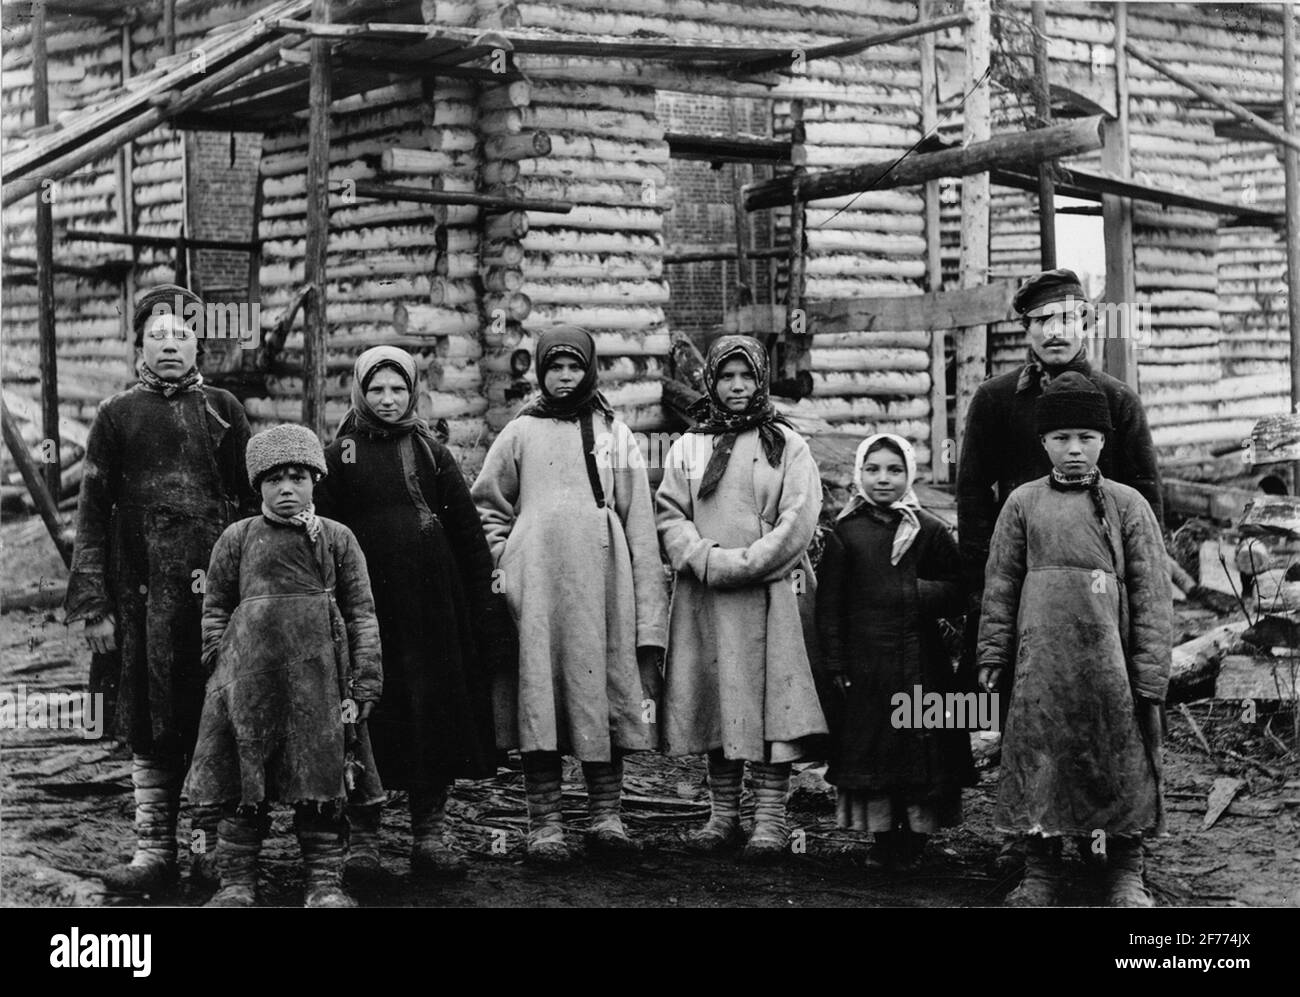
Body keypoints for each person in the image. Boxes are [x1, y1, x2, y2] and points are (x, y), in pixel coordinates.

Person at [956, 268, 1163, 872]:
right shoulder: (996, 400)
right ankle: (1030, 832)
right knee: (1030, 710)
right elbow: (973, 494)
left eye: (1067, 318)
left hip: (1102, 593)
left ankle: (1115, 841)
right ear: (1025, 329)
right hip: (1023, 583)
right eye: (1041, 320)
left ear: (1087, 324)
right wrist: (981, 586)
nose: (1054, 331)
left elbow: (1144, 494)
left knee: (1109, 708)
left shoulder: (1118, 402)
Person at [65, 284, 255, 893]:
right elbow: (91, 515)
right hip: (139, 593)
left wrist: (250, 591)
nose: (170, 345)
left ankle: (207, 850)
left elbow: (253, 506)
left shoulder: (224, 408)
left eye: (181, 335)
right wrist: (94, 604)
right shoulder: (116, 415)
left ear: (199, 342)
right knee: (149, 720)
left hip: (212, 598)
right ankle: (154, 849)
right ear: (140, 345)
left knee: (212, 716)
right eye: (157, 336)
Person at [471, 325, 667, 863]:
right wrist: (506, 560)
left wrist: (646, 610)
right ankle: (546, 824)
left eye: (574, 367)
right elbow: (486, 506)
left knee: (601, 699)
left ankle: (606, 817)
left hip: (603, 591)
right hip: (539, 593)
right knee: (542, 702)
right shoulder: (519, 433)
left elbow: (641, 526)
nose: (564, 377)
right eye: (554, 367)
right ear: (540, 372)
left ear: (589, 370)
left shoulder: (615, 434)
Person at [976, 372, 1172, 907]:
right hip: (1041, 662)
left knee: (1118, 758)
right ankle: (1040, 870)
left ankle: (1123, 870)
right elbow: (1001, 582)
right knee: (1039, 755)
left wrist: (1151, 670)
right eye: (1061, 438)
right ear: (1042, 443)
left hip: (1111, 664)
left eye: (1086, 437)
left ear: (1104, 441)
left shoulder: (1128, 505)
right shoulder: (1022, 503)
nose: (1075, 449)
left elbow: (1154, 592)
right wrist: (992, 651)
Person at [315, 346, 500, 881]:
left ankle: (430, 837)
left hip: (432, 613)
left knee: (431, 717)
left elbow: (468, 534)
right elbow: (322, 532)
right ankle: (364, 843)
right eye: (376, 389)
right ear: (359, 392)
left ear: (413, 391)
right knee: (367, 718)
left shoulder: (431, 452)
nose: (388, 399)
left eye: (398, 389)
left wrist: (484, 608)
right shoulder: (338, 455)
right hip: (367, 613)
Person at [185, 424, 384, 907]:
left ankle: (322, 882)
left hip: (319, 683)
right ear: (259, 486)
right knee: (241, 780)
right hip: (248, 682)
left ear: (316, 479)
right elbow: (215, 607)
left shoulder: (337, 539)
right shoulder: (237, 537)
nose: (286, 488)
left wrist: (365, 680)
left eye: (298, 477)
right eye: (274, 479)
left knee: (319, 778)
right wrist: (221, 659)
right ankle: (236, 881)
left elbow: (362, 612)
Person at [656, 335, 827, 862]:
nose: (736, 387)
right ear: (711, 379)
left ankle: (771, 818)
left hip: (771, 595)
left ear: (761, 381)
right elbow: (669, 514)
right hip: (707, 597)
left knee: (770, 702)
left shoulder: (788, 445)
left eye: (746, 377)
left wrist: (751, 563)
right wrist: (707, 560)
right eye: (726, 376)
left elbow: (799, 520)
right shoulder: (689, 446)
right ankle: (723, 815)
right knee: (718, 698)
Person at [815, 433, 973, 870]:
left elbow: (960, 591)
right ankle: (883, 837)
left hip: (923, 665)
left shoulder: (930, 528)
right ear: (859, 474)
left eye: (894, 469)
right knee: (875, 750)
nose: (883, 479)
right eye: (873, 469)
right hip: (867, 668)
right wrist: (836, 663)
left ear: (909, 474)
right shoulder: (846, 534)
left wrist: (914, 593)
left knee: (922, 750)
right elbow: (830, 608)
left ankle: (917, 838)